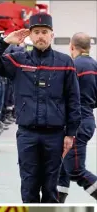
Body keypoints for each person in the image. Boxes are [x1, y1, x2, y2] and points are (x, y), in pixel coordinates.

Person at [0, 12, 81, 203]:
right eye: (36, 32)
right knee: (29, 185)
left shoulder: (65, 63)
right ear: (30, 36)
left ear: (52, 35)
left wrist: (71, 133)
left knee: (51, 188)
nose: (40, 36)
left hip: (55, 135)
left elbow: (74, 99)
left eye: (44, 32)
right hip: (27, 135)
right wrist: (5, 41)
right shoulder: (18, 61)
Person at [57, 32, 97, 201]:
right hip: (87, 120)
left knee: (75, 170)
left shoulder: (72, 66)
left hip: (76, 124)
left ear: (72, 47)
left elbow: (62, 95)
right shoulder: (94, 65)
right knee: (62, 169)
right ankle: (55, 204)